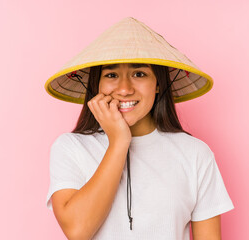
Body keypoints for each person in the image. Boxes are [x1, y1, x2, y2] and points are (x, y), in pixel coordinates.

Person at [44, 17, 234, 240]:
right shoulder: (71, 147)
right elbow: (77, 231)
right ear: (97, 85)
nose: (124, 89)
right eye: (111, 75)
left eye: (139, 74)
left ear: (158, 84)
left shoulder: (195, 154)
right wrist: (119, 141)